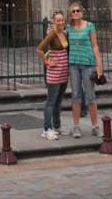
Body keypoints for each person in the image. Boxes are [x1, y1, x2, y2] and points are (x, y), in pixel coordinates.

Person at [67, 1, 103, 138]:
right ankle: (76, 127)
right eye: (73, 11)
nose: (76, 13)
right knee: (75, 95)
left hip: (88, 65)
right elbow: (60, 38)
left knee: (90, 96)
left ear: (82, 12)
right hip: (74, 65)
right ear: (70, 14)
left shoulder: (89, 26)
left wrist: (99, 65)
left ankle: (95, 126)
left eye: (78, 11)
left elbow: (94, 45)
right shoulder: (68, 28)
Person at [37, 11, 70, 140]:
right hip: (54, 73)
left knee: (58, 101)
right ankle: (46, 128)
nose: (61, 22)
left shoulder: (64, 34)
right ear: (53, 22)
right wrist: (47, 62)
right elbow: (40, 48)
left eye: (62, 20)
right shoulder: (52, 34)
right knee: (51, 101)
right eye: (58, 20)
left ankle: (57, 125)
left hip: (63, 72)